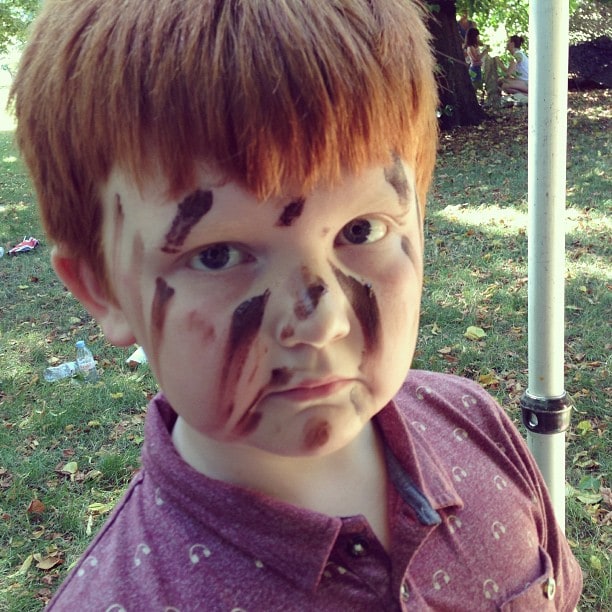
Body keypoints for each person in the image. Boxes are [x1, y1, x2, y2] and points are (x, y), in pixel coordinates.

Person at [10, 1, 582, 610]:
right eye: (217, 255)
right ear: (100, 287)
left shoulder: (478, 425)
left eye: (361, 230)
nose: (322, 321)